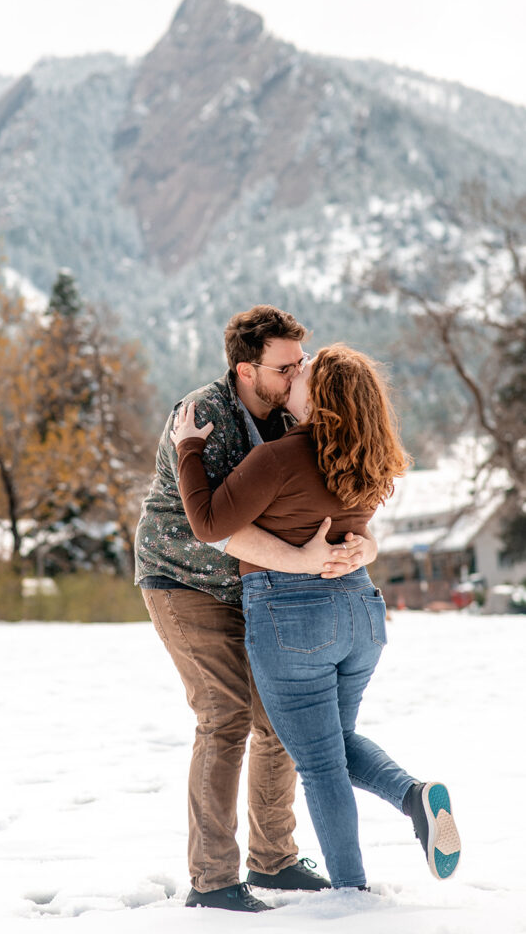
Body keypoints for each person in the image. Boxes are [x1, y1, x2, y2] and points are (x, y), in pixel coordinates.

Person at [171, 343, 461, 891]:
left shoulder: (278, 458)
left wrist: (188, 450)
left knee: (322, 764)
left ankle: (351, 890)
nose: (295, 372)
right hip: (360, 612)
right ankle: (414, 797)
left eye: (305, 370)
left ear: (321, 397)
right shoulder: (365, 464)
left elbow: (209, 523)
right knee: (333, 742)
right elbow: (354, 530)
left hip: (294, 616)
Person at [134, 307, 378, 911]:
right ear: (246, 369)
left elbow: (332, 499)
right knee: (225, 717)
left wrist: (363, 544)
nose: (300, 372)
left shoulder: (296, 417)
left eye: (302, 360)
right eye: (286, 365)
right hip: (184, 579)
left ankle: (275, 861)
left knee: (280, 721)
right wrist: (306, 563)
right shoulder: (204, 416)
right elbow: (217, 528)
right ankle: (213, 879)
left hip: (257, 589)